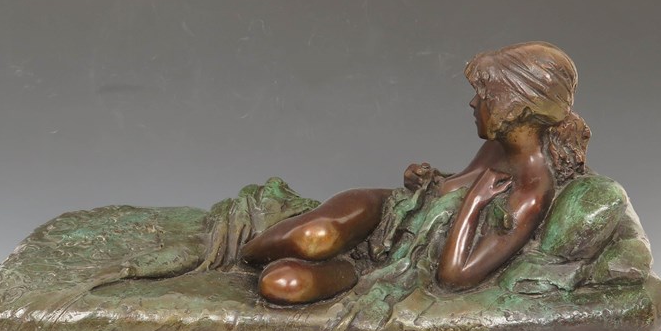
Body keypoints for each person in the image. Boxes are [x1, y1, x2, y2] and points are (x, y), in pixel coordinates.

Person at [240, 41, 588, 304]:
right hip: (388, 215)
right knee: (314, 235)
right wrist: (424, 180)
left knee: (280, 283)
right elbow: (447, 191)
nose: (473, 103)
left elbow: (455, 276)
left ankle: (331, 268)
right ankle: (237, 256)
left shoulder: (532, 191)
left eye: (483, 94)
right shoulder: (499, 147)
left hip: (392, 267)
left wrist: (475, 203)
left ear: (514, 106)